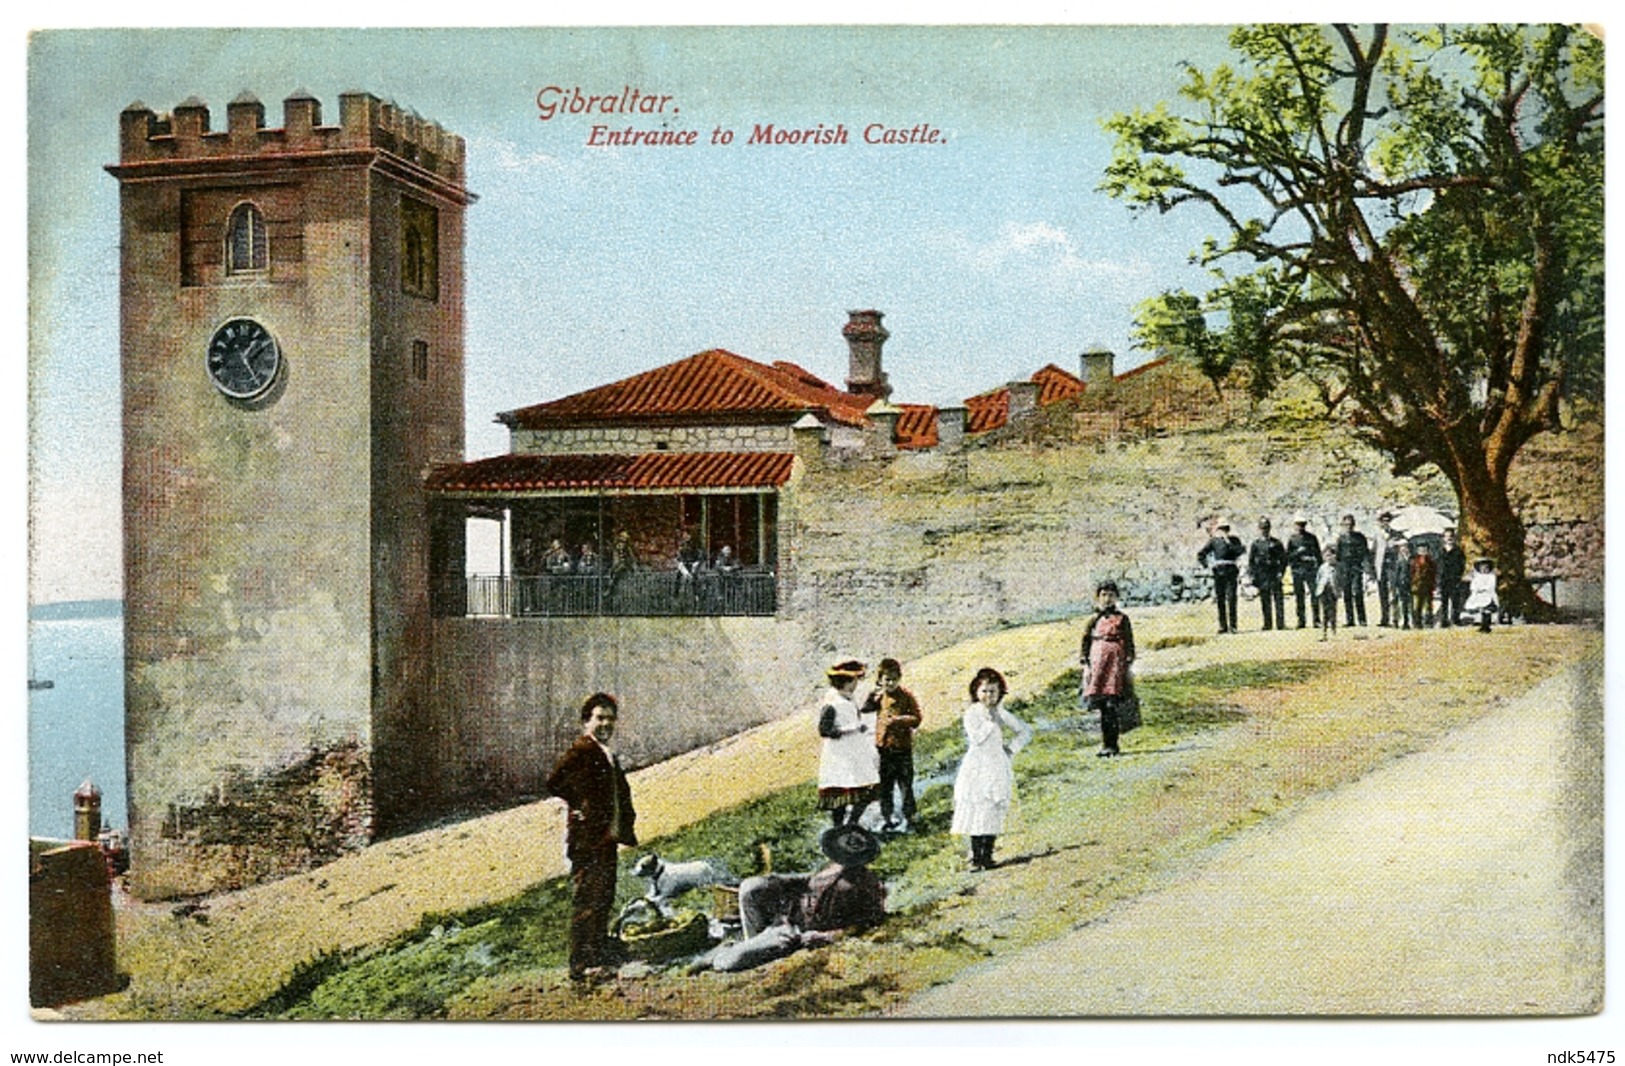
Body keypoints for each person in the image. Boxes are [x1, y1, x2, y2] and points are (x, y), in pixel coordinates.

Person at [546, 693, 638, 983]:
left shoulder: (605, 752)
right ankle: (581, 964)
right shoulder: (583, 749)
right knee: (587, 899)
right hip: (587, 840)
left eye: (610, 719)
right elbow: (554, 781)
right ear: (587, 721)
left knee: (604, 895)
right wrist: (580, 804)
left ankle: (598, 951)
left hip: (605, 838)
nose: (605, 724)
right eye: (599, 718)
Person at [711, 825, 887, 972]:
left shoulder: (862, 886)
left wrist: (823, 937)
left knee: (727, 962)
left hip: (795, 935)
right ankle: (753, 944)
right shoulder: (834, 867)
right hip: (787, 917)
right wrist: (780, 880)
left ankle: (735, 952)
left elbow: (862, 924)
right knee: (751, 886)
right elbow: (810, 881)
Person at [951, 666, 1033, 870]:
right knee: (977, 807)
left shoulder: (1001, 712)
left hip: (996, 765)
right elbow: (976, 738)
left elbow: (1024, 732)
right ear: (976, 692)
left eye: (993, 691)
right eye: (984, 691)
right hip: (976, 767)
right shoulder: (972, 713)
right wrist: (991, 721)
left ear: (1000, 693)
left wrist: (1010, 749)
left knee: (993, 809)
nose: (988, 696)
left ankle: (987, 856)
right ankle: (975, 857)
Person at [816, 660, 879, 827]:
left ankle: (852, 823)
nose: (856, 685)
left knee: (866, 787)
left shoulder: (848, 698)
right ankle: (839, 829)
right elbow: (824, 730)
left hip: (855, 750)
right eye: (854, 681)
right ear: (845, 682)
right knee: (841, 793)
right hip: (840, 754)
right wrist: (848, 729)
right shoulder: (832, 703)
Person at [863, 658, 922, 832]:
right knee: (885, 787)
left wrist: (898, 720)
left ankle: (910, 817)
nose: (890, 683)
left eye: (894, 679)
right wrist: (871, 695)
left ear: (899, 679)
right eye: (886, 679)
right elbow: (865, 709)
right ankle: (887, 818)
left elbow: (917, 719)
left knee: (905, 786)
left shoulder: (906, 696)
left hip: (902, 749)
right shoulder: (880, 697)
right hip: (884, 750)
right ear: (880, 680)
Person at [1080, 580, 1136, 758]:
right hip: (1098, 666)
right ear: (1098, 598)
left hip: (1115, 666)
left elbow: (1129, 641)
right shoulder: (1094, 619)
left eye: (1111, 595)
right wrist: (1085, 659)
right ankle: (1105, 744)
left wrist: (1127, 660)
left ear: (1116, 598)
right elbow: (1085, 640)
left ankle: (1113, 744)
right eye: (1103, 595)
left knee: (1112, 704)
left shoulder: (1122, 619)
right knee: (1103, 706)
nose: (1107, 599)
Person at [1197, 518, 1245, 634]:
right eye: (1222, 529)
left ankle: (1233, 626)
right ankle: (1223, 625)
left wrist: (1229, 543)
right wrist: (1207, 565)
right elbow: (1201, 554)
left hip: (1231, 571)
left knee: (1232, 598)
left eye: (1226, 529)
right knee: (1220, 599)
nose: (1224, 531)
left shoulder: (1234, 540)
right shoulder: (1214, 541)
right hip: (1219, 571)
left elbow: (1241, 550)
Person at [1248, 517, 1287, 631]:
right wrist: (1254, 575)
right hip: (1262, 574)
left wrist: (1281, 572)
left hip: (1274, 573)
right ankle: (1267, 623)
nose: (1264, 530)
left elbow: (1284, 559)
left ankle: (1280, 623)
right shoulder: (1255, 544)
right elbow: (1251, 562)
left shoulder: (1276, 543)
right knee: (1265, 600)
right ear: (1259, 529)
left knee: (1278, 599)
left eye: (1266, 528)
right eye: (1262, 528)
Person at [1286, 514, 1323, 630]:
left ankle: (1316, 619)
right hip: (1298, 569)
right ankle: (1301, 620)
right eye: (1298, 525)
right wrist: (1298, 552)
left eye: (1302, 525)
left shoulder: (1312, 538)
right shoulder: (1292, 539)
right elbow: (1288, 556)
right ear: (1294, 525)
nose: (1300, 527)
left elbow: (1318, 554)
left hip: (1310, 569)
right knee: (1299, 596)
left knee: (1314, 595)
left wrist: (1320, 569)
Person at [1334, 514, 1370, 626]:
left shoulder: (1360, 537)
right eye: (1346, 525)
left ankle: (1362, 619)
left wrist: (1366, 567)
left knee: (1358, 592)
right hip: (1344, 568)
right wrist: (1338, 570)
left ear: (1354, 525)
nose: (1348, 527)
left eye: (1350, 524)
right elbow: (1338, 555)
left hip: (1356, 567)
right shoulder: (1341, 538)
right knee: (1347, 594)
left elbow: (1365, 553)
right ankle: (1350, 620)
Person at [1437, 529, 1467, 627]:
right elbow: (1437, 565)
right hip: (1443, 579)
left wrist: (1459, 576)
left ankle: (1455, 619)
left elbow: (1462, 565)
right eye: (1447, 536)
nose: (1449, 538)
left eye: (1451, 536)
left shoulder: (1458, 551)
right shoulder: (1440, 551)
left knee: (1455, 600)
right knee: (1444, 601)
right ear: (1443, 538)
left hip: (1455, 579)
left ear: (1454, 538)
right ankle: (1444, 620)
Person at [1383, 535, 1413, 629]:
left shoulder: (1411, 558)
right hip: (1398, 583)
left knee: (1407, 603)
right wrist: (1394, 584)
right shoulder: (1396, 559)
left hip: (1409, 583)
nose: (1404, 548)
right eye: (1402, 546)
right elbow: (1395, 573)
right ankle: (1396, 621)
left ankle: (1406, 621)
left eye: (1405, 546)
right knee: (1396, 602)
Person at [1463, 558, 1499, 632]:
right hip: (1479, 596)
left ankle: (1487, 626)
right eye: (1482, 567)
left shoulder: (1491, 577)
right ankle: (1483, 625)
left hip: (1488, 595)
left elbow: (1491, 586)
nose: (1484, 569)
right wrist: (1476, 590)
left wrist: (1483, 588)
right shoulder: (1477, 577)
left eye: (1486, 568)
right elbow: (1473, 586)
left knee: (1487, 611)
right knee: (1482, 611)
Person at [1375, 511, 1397, 626]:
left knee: (1393, 592)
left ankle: (1395, 618)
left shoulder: (1396, 534)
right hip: (1380, 566)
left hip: (1392, 566)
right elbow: (1373, 551)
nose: (1385, 523)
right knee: (1382, 593)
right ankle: (1384, 618)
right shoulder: (1377, 534)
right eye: (1383, 521)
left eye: (1387, 520)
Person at [1410, 542, 1438, 629]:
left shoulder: (1431, 561)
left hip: (1428, 585)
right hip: (1417, 586)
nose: (1423, 551)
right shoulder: (1413, 561)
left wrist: (1434, 584)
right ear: (1417, 551)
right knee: (1417, 605)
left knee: (1428, 604)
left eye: (1425, 549)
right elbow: (1411, 573)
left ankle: (1428, 622)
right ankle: (1417, 622)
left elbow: (1434, 574)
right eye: (1421, 550)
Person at [1315, 546, 1339, 641]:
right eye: (1327, 555)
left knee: (1332, 612)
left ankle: (1333, 631)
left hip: (1333, 591)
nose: (1329, 557)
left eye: (1331, 555)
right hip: (1323, 591)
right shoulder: (1322, 567)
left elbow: (1340, 579)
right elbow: (1318, 578)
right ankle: (1323, 633)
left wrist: (1338, 590)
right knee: (1324, 612)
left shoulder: (1338, 567)